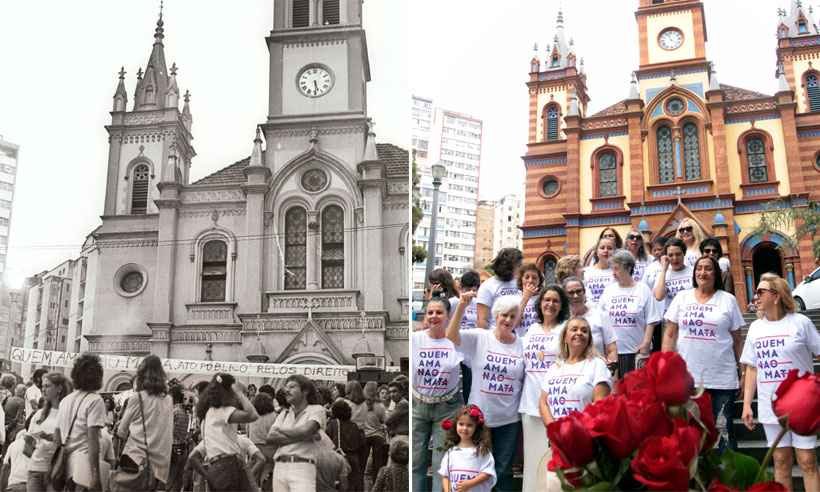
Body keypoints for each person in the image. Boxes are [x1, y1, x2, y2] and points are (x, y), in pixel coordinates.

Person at [740, 274, 820, 491]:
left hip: (802, 407)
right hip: (770, 405)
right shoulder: (756, 328)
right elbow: (752, 368)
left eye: (760, 292)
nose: (755, 296)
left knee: (807, 461)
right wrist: (747, 404)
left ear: (775, 296)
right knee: (781, 461)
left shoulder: (800, 323)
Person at [662, 255, 744, 452]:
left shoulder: (728, 300)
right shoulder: (682, 297)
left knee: (723, 432)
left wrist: (744, 371)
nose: (703, 272)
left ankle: (728, 479)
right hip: (689, 380)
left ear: (716, 273)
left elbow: (738, 340)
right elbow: (670, 333)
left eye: (708, 268)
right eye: (699, 268)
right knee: (691, 433)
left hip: (722, 379)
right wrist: (665, 367)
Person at [447, 294, 524, 492]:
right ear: (496, 316)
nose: (507, 320)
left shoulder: (522, 345)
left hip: (508, 420)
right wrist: (462, 306)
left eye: (512, 316)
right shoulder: (481, 337)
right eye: (504, 315)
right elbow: (451, 336)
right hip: (479, 419)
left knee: (503, 471)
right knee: (475, 470)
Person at [517, 285, 567, 492]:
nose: (550, 304)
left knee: (554, 462)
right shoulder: (531, 329)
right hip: (530, 404)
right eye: (547, 300)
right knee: (532, 461)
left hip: (556, 405)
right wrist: (525, 297)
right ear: (540, 303)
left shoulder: (565, 329)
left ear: (561, 305)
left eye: (555, 301)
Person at [410, 296, 463, 492]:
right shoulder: (415, 339)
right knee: (416, 461)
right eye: (430, 312)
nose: (433, 316)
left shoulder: (457, 341)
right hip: (418, 406)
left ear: (448, 316)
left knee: (442, 464)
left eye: (439, 312)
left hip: (447, 408)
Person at [114, 355, 173, 491]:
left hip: (135, 459)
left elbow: (121, 432)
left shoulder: (138, 398)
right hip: (159, 467)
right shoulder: (168, 400)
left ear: (141, 375)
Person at [599, 250, 661, 375]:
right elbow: (601, 319)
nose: (613, 273)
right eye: (612, 269)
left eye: (616, 269)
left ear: (628, 267)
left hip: (637, 352)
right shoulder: (608, 291)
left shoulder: (643, 289)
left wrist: (646, 343)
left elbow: (652, 319)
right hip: (614, 353)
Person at [539, 317, 612, 423]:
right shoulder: (554, 367)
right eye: (574, 329)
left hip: (584, 435)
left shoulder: (597, 365)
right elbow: (543, 403)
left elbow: (599, 407)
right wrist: (554, 431)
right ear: (565, 337)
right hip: (556, 437)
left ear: (589, 339)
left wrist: (576, 433)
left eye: (584, 331)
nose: (579, 333)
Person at [196, 373, 259, 492]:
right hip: (228, 464)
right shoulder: (223, 411)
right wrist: (239, 393)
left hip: (217, 465)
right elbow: (253, 415)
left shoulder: (210, 412)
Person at [267, 374, 326, 492]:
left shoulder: (316, 409)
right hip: (279, 466)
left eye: (292, 387)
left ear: (305, 391)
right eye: (286, 388)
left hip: (302, 466)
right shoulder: (284, 413)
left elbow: (306, 431)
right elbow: (270, 438)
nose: (287, 391)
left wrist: (281, 430)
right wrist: (303, 436)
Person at [57, 354, 106, 492]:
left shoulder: (65, 400)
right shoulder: (95, 400)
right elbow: (93, 440)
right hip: (84, 467)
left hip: (66, 466)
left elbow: (58, 435)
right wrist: (95, 476)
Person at [26, 372, 71, 492]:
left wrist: (48, 438)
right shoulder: (40, 414)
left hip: (58, 471)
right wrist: (34, 445)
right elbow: (28, 444)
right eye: (42, 386)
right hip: (36, 469)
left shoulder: (68, 413)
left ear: (59, 389)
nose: (43, 389)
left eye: (47, 386)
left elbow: (69, 441)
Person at [438, 405, 496, 492]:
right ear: (456, 425)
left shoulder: (482, 451)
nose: (464, 428)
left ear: (476, 428)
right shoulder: (451, 452)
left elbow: (487, 473)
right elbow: (445, 475)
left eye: (469, 425)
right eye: (461, 424)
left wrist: (470, 483)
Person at [563, 276, 617, 365]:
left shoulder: (600, 315)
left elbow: (611, 349)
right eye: (571, 293)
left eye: (579, 291)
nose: (575, 296)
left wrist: (612, 374)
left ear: (584, 292)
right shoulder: (562, 319)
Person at [476, 248, 523, 329]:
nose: (520, 269)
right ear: (508, 266)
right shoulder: (487, 286)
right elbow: (482, 320)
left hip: (518, 337)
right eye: (518, 266)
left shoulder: (519, 283)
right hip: (496, 336)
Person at [653, 237, 693, 312]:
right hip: (669, 318)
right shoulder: (662, 274)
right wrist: (664, 269)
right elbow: (659, 296)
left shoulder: (693, 272)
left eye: (678, 254)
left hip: (688, 316)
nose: (675, 258)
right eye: (670, 255)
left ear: (684, 253)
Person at [247, 392, 277, 490]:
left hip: (255, 452)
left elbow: (248, 436)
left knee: (254, 484)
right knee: (267, 483)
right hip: (270, 451)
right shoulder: (274, 416)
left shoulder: (251, 417)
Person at [166, 385, 190, 492]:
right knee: (178, 479)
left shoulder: (173, 411)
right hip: (183, 447)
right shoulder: (185, 412)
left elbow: (167, 431)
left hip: (172, 447)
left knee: (170, 479)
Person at [583, 236, 616, 306]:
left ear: (614, 252)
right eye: (602, 248)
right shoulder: (586, 272)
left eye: (610, 248)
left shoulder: (618, 273)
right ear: (596, 251)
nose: (606, 251)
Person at [516, 263, 543, 338]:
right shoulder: (514, 298)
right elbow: (514, 323)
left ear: (539, 281)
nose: (530, 280)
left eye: (534, 278)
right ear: (521, 279)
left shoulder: (543, 298)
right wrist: (525, 298)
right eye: (527, 277)